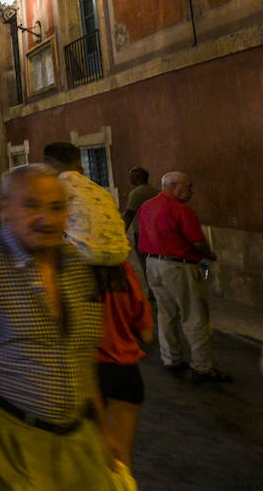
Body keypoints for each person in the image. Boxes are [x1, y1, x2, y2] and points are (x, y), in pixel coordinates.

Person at [0, 164, 121, 491]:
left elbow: (80, 355)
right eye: (32, 205)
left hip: (80, 440)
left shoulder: (76, 265)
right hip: (13, 442)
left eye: (56, 207)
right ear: (5, 208)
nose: (46, 219)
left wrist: (103, 427)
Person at [136, 170, 230, 383]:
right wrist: (209, 255)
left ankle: (171, 358)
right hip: (178, 266)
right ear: (174, 186)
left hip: (153, 263)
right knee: (194, 315)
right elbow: (197, 242)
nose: (191, 192)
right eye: (189, 187)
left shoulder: (147, 207)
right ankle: (203, 367)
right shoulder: (181, 210)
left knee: (165, 313)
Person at [93, 258, 154, 470]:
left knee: (85, 467)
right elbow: (147, 334)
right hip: (124, 373)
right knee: (120, 465)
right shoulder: (122, 268)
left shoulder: (65, 267)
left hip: (84, 375)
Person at [119, 167, 159, 296]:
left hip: (142, 233)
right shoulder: (155, 191)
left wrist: (121, 232)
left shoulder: (136, 193)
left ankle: (153, 291)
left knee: (146, 265)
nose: (129, 179)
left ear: (139, 178)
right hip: (156, 233)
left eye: (132, 176)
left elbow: (129, 214)